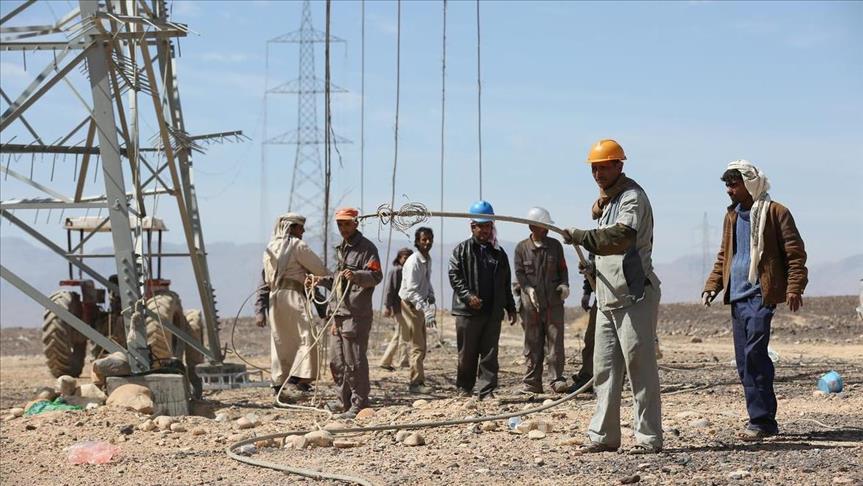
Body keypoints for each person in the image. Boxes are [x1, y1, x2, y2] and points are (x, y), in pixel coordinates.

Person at [563, 139, 663, 454]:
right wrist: (591, 265)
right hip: (607, 297)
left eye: (604, 167)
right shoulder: (608, 202)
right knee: (604, 369)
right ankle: (603, 436)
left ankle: (648, 438)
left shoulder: (632, 197)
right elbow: (608, 249)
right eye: (594, 168)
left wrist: (582, 237)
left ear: (619, 165)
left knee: (640, 368)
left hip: (633, 295)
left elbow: (622, 237)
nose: (598, 174)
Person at [702, 160, 807, 441]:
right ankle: (759, 418)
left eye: (734, 185)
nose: (729, 190)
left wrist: (795, 287)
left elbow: (795, 253)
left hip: (761, 295)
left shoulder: (776, 212)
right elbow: (725, 255)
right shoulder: (732, 216)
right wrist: (713, 285)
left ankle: (762, 421)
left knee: (755, 355)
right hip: (737, 296)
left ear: (749, 184)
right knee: (743, 361)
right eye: (727, 185)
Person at [254, 213, 329, 400]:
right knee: (306, 337)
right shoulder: (297, 245)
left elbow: (263, 281)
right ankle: (297, 379)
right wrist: (335, 280)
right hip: (294, 296)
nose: (303, 231)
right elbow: (319, 270)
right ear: (292, 228)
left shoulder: (269, 248)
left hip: (275, 299)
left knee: (280, 340)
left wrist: (260, 309)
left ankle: (280, 382)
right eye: (300, 227)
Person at [449, 200, 517, 399]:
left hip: (492, 312)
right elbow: (454, 276)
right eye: (481, 226)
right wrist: (468, 297)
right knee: (467, 354)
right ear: (473, 226)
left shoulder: (499, 253)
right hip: (467, 312)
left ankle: (487, 390)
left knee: (489, 354)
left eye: (488, 226)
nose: (486, 230)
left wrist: (511, 307)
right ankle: (464, 388)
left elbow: (506, 283)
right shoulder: (461, 250)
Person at [320, 207, 383, 419]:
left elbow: (376, 276)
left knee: (354, 361)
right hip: (339, 314)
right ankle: (343, 402)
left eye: (347, 224)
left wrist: (356, 276)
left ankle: (359, 404)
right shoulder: (342, 248)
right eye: (340, 224)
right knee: (337, 362)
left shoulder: (366, 248)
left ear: (356, 223)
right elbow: (338, 281)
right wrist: (320, 281)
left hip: (356, 314)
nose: (343, 228)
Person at [514, 207, 570, 394]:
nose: (546, 229)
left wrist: (564, 285)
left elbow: (563, 269)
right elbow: (520, 274)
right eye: (543, 226)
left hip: (553, 303)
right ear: (532, 226)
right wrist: (528, 289)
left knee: (555, 342)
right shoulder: (522, 248)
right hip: (531, 306)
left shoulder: (555, 246)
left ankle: (556, 379)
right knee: (533, 342)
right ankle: (532, 383)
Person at [398, 227, 437, 394]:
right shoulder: (414, 261)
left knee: (422, 344)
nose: (427, 242)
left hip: (419, 304)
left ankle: (419, 380)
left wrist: (431, 294)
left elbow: (426, 281)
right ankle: (415, 383)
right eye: (424, 239)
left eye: (429, 239)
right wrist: (426, 310)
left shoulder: (426, 259)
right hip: (411, 305)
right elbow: (412, 291)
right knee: (417, 346)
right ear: (417, 241)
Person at [378, 248, 413, 372]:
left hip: (407, 308)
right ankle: (401, 361)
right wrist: (387, 306)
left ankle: (387, 361)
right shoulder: (396, 271)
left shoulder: (409, 271)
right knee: (402, 333)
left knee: (401, 334)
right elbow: (389, 290)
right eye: (405, 258)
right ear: (399, 258)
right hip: (398, 307)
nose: (407, 260)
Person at [570, 253, 596, 394]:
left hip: (626, 297)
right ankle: (587, 378)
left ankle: (616, 379)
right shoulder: (596, 242)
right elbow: (591, 267)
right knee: (591, 338)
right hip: (602, 297)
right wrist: (587, 292)